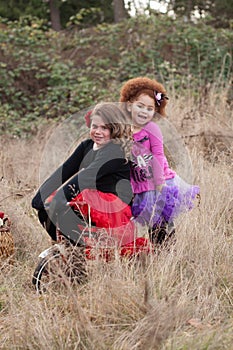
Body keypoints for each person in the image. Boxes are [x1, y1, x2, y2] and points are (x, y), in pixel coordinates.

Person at [32, 102, 135, 247]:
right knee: (45, 213)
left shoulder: (114, 151)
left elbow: (87, 176)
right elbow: (64, 171)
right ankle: (69, 249)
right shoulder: (86, 146)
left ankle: (78, 249)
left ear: (114, 129)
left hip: (112, 204)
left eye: (104, 128)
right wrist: (40, 196)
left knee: (62, 206)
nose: (98, 131)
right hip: (91, 198)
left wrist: (60, 197)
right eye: (94, 126)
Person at [119, 77, 200, 246]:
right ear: (129, 105)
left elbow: (158, 155)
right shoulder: (124, 130)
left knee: (162, 224)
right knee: (151, 223)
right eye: (140, 106)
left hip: (159, 183)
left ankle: (167, 255)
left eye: (149, 109)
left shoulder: (151, 129)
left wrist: (159, 184)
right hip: (140, 186)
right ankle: (155, 254)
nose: (144, 112)